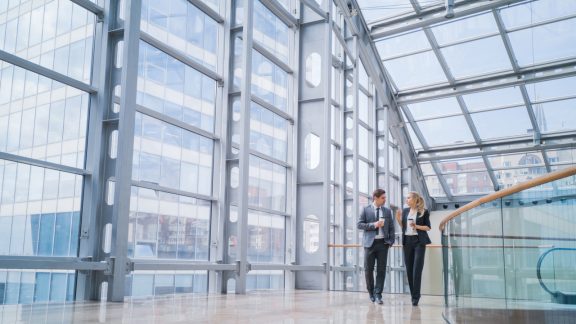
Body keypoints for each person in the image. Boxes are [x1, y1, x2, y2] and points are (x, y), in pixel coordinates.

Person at [357, 189, 395, 304]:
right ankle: (371, 293)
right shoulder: (365, 209)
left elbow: (392, 228)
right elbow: (359, 224)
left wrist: (390, 241)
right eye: (383, 198)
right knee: (368, 269)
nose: (385, 199)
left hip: (383, 244)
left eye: (385, 197)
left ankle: (378, 294)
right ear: (375, 198)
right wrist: (374, 225)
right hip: (369, 244)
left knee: (381, 270)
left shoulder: (387, 211)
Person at [395, 191, 431, 306]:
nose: (407, 200)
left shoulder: (423, 212)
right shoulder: (405, 211)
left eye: (409, 198)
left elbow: (428, 227)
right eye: (406, 198)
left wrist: (416, 226)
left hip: (419, 242)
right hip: (407, 242)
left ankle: (416, 296)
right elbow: (404, 227)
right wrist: (398, 219)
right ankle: (413, 295)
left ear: (415, 199)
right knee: (409, 270)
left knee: (417, 270)